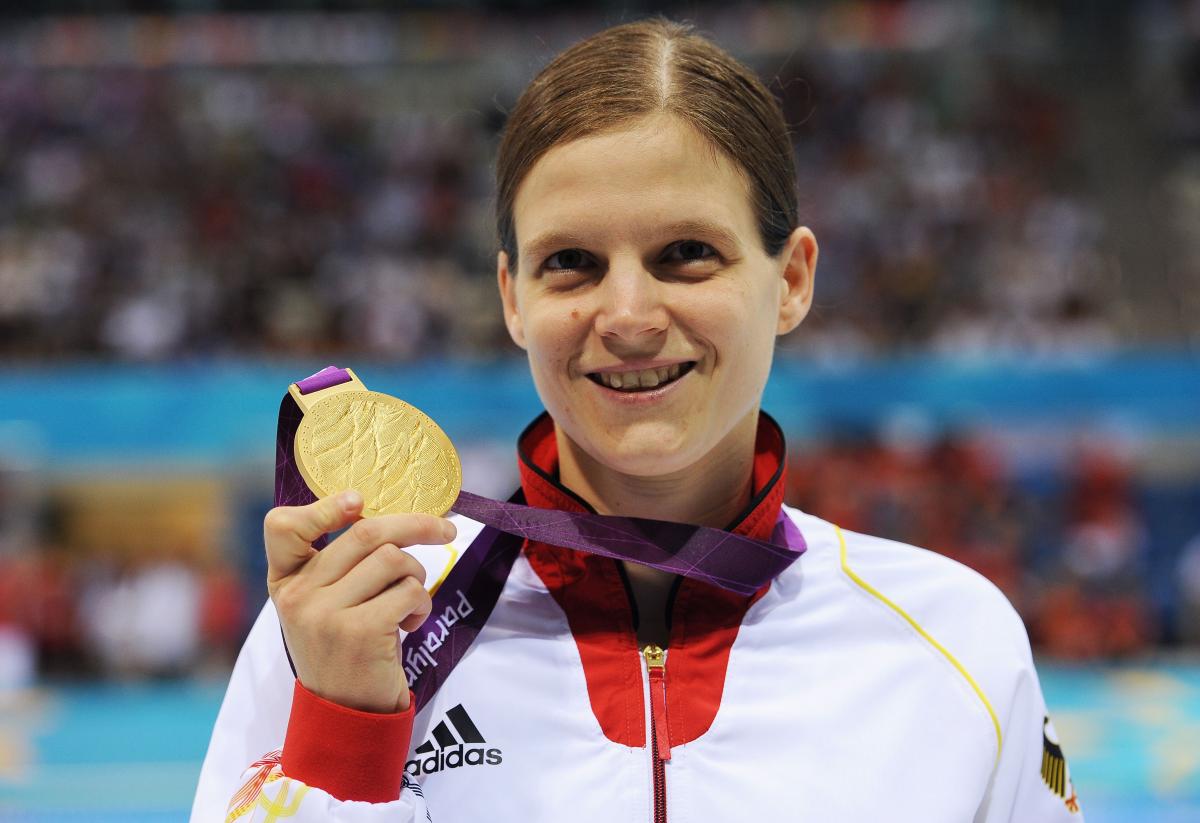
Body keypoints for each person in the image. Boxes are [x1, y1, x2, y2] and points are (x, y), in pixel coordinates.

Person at [192, 18, 1081, 822]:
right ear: (512, 298)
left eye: (686, 254)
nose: (626, 315)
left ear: (794, 279)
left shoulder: (952, 641)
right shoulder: (350, 617)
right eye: (571, 263)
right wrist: (347, 732)